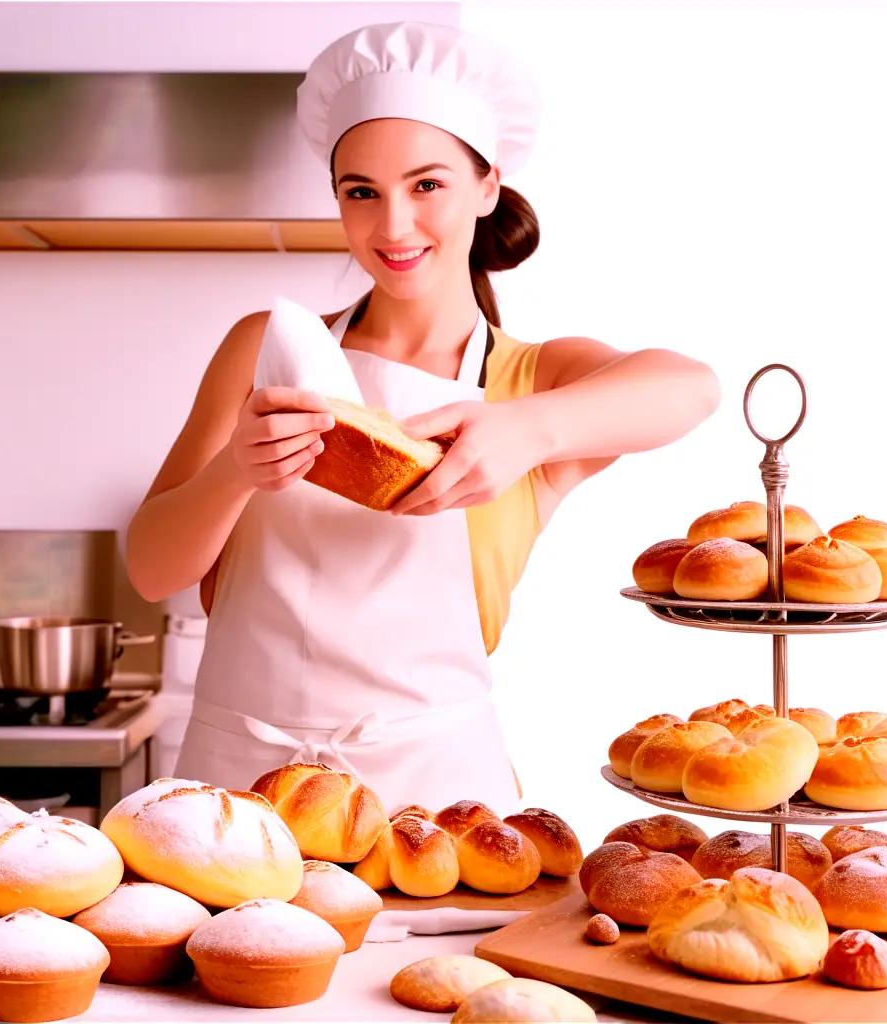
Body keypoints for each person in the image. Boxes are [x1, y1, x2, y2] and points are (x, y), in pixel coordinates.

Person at [126, 21, 721, 815]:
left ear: (487, 187)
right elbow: (151, 568)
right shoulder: (264, 349)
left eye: (427, 184)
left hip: (439, 808)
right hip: (242, 794)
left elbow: (693, 387)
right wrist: (238, 470)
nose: (393, 226)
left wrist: (525, 430)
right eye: (361, 192)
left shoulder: (530, 379)